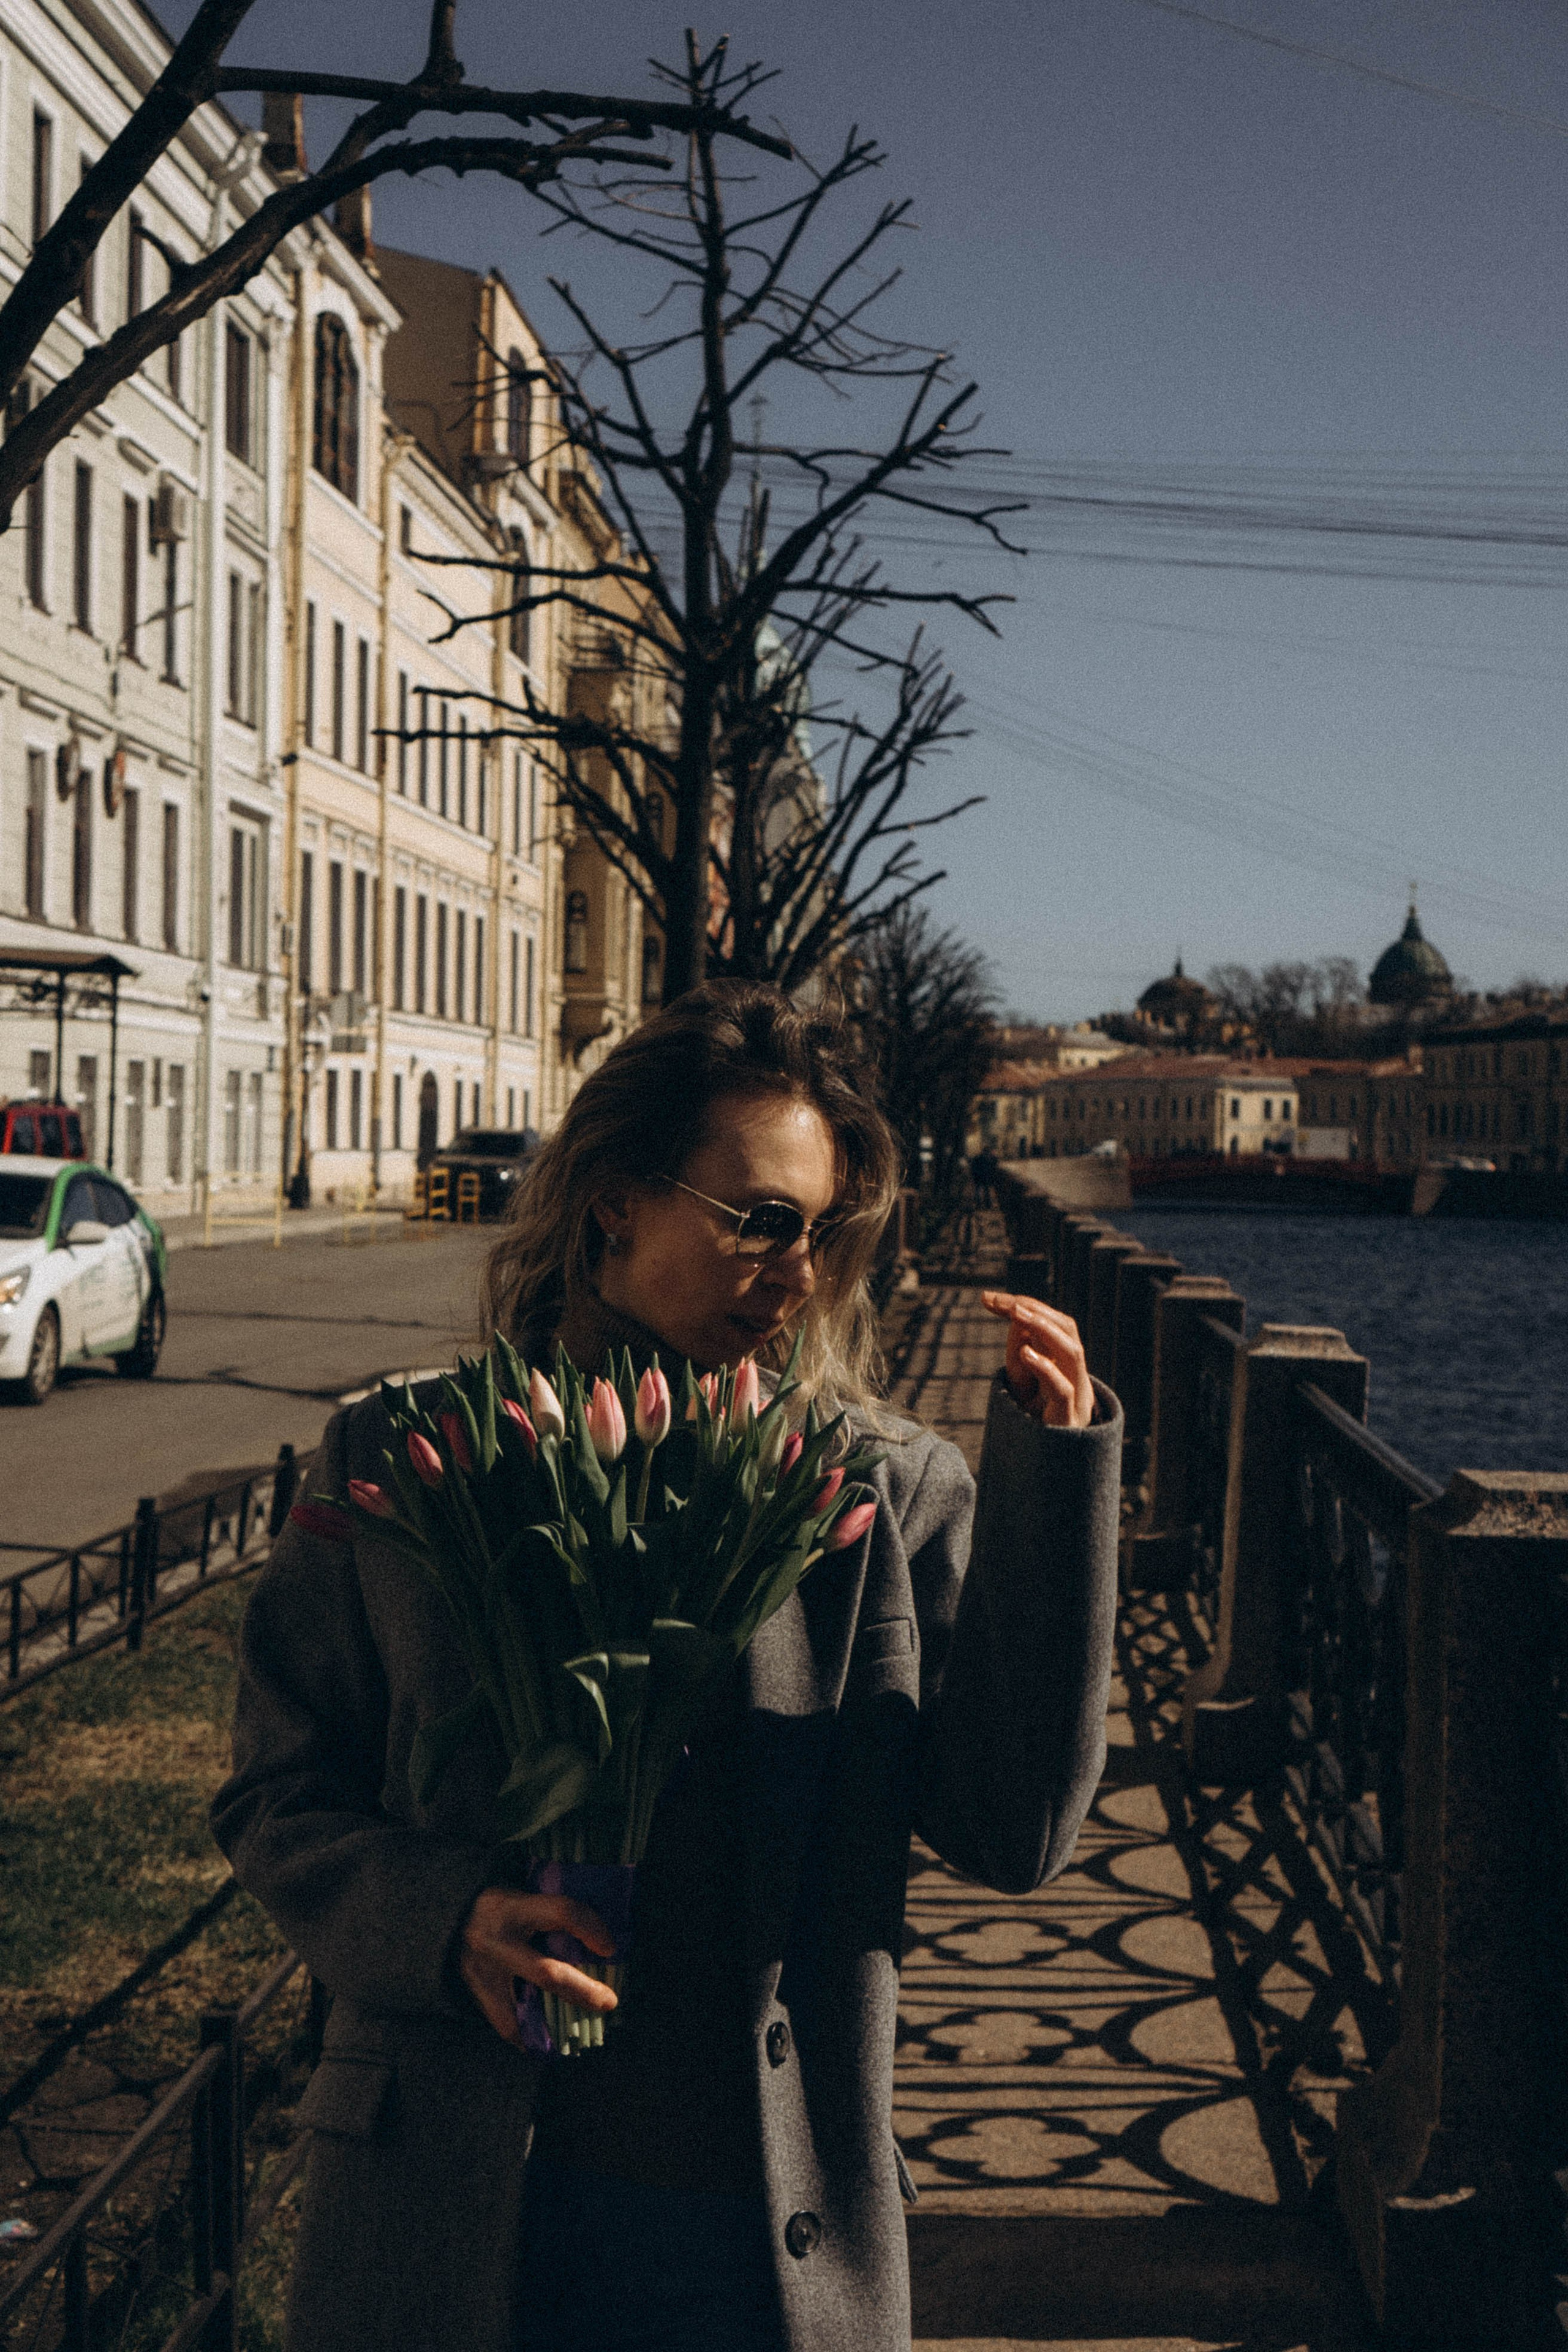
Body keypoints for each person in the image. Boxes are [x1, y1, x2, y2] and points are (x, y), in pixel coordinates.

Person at [212, 982, 1121, 2352]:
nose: (796, 1274)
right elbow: (277, 1795)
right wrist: (445, 1915)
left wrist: (1053, 1485)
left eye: (820, 1235)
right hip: (448, 2210)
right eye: (760, 1221)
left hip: (756, 2237)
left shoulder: (879, 1493)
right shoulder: (410, 1459)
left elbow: (1012, 1832)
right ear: (615, 1200)